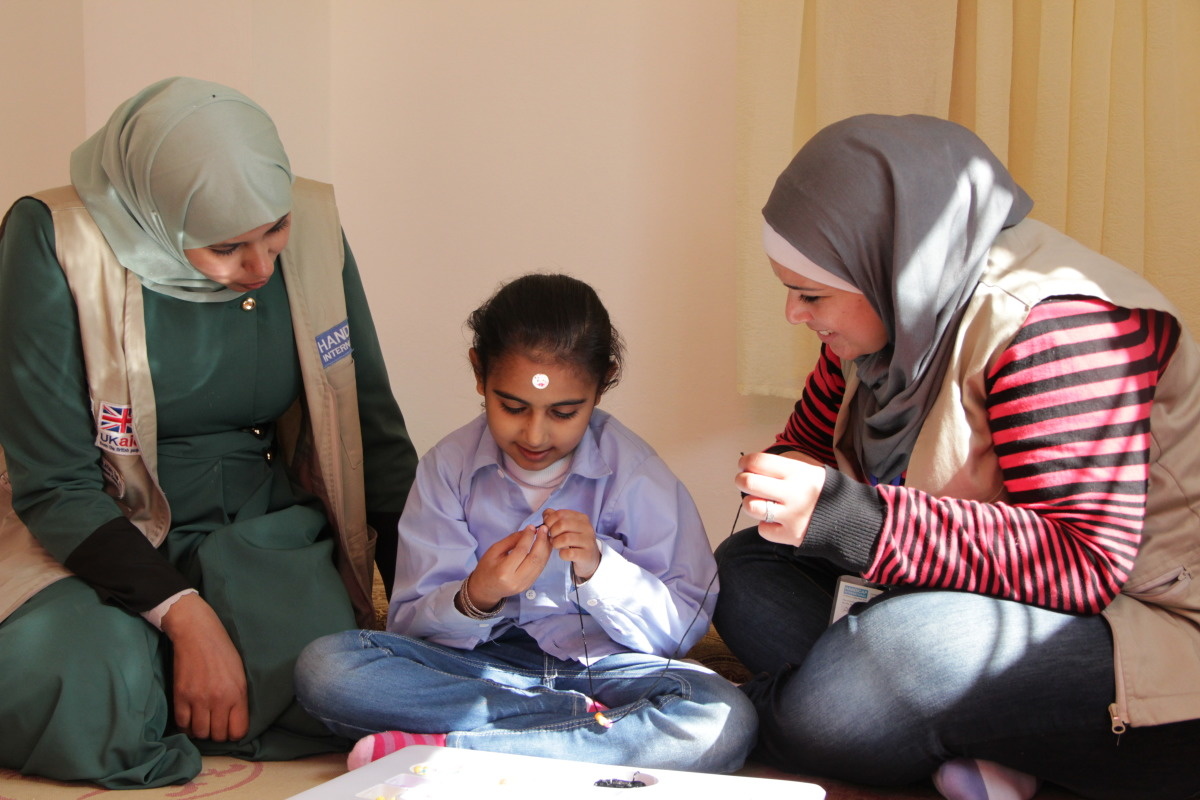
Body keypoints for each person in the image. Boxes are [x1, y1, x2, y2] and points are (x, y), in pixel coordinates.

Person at [713, 114, 1200, 800]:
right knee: (746, 569)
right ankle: (960, 742)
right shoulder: (889, 322)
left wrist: (845, 518)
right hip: (970, 597)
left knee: (903, 651)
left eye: (811, 294)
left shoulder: (1058, 328)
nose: (795, 314)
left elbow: (1083, 560)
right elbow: (812, 440)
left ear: (884, 262)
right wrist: (783, 479)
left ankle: (730, 718)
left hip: (1140, 620)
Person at [0, 77, 418, 788]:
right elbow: (55, 485)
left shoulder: (310, 222)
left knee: (330, 680)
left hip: (255, 523)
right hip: (90, 524)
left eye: (273, 233)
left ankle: (169, 685)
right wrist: (187, 619)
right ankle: (141, 674)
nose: (259, 269)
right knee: (80, 682)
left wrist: (426, 609)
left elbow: (367, 428)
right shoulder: (53, 236)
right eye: (226, 247)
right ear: (157, 215)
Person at [295, 273, 756, 774]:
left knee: (721, 719)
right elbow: (408, 621)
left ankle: (458, 752)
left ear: (602, 384)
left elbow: (682, 627)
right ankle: (576, 730)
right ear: (479, 373)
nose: (535, 434)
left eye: (564, 412)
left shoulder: (636, 474)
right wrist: (477, 594)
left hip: (605, 670)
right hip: (480, 671)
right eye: (512, 406)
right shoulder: (447, 468)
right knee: (326, 668)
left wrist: (602, 571)